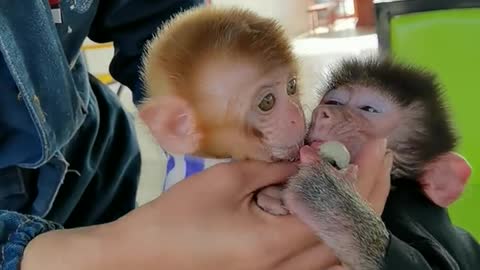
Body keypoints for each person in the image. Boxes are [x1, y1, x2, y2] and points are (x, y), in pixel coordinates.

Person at [0, 1, 391, 269]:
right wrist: (101, 253)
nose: (298, 116)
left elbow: (159, 19)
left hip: (89, 169)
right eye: (268, 102)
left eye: (291, 88)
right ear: (177, 126)